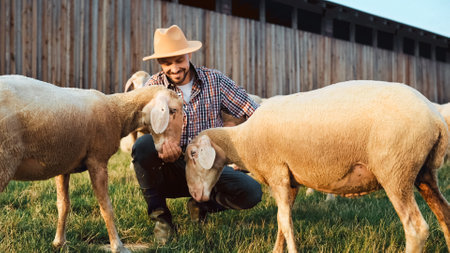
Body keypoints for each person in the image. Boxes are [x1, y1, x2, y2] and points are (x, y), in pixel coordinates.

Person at [132, 25, 262, 244]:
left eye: (179, 60)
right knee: (143, 146)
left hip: (208, 167)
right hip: (170, 169)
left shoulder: (215, 81)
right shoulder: (153, 87)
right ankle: (161, 218)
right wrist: (161, 143)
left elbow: (254, 112)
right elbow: (138, 122)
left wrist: (242, 152)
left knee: (252, 192)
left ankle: (203, 204)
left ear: (189, 55)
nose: (174, 68)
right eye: (166, 63)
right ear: (159, 64)